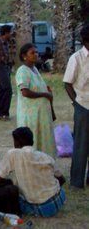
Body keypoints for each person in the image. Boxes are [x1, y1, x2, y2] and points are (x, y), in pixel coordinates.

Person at [0, 127, 65, 217]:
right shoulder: (45, 156)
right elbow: (62, 180)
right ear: (32, 141)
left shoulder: (13, 154)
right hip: (58, 200)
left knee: (9, 189)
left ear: (17, 142)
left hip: (39, 209)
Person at [15, 43, 56, 157]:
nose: (36, 55)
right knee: (32, 143)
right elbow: (25, 92)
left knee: (42, 142)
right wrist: (44, 94)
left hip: (41, 114)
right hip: (31, 115)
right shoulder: (23, 71)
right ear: (24, 56)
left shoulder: (34, 69)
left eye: (37, 52)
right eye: (32, 53)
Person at [63, 23, 89, 188]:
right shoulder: (77, 58)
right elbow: (67, 83)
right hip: (83, 106)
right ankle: (77, 181)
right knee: (81, 145)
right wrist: (76, 104)